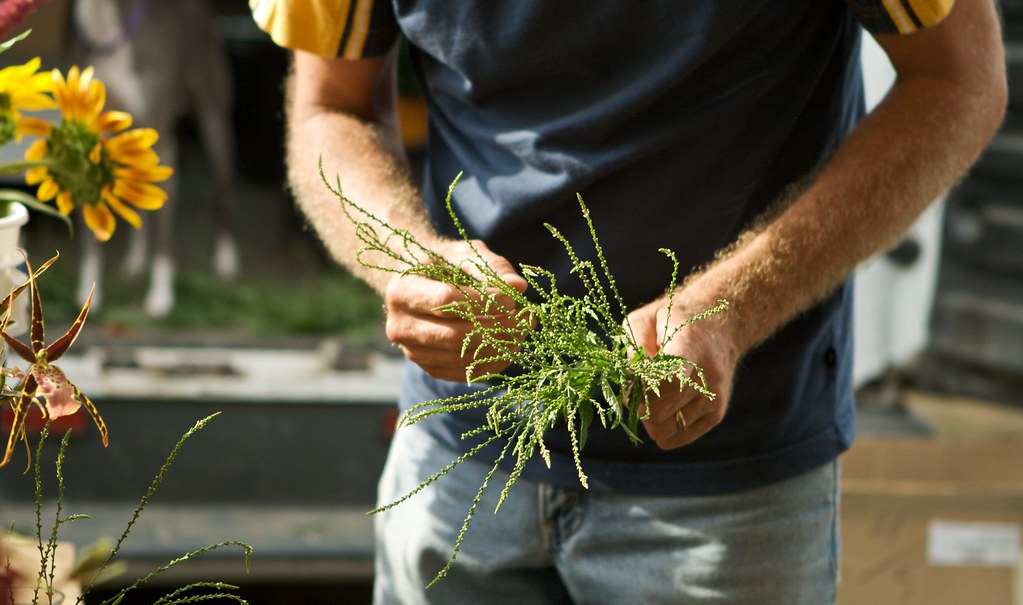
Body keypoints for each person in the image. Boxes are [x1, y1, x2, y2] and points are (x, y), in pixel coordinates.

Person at [252, 1, 1006, 603]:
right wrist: (407, 260)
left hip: (725, 496)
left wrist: (731, 304)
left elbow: (959, 80)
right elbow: (330, 108)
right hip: (458, 465)